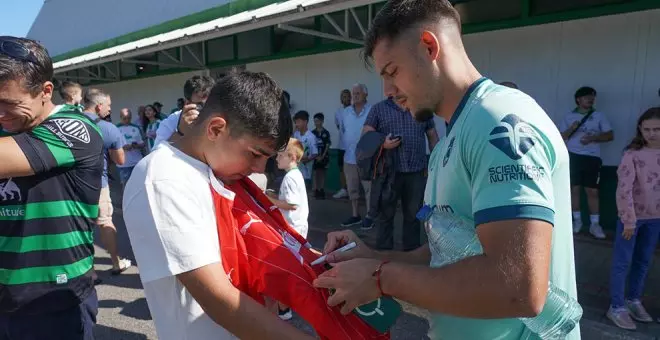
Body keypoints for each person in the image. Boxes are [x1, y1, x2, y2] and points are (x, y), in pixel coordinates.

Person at [312, 1, 580, 339]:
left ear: (429, 46)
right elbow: (446, 258)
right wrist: (369, 257)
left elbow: (518, 287)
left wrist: (380, 277)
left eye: (392, 71)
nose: (388, 92)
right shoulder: (448, 143)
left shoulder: (499, 121)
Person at [122, 70, 314, 340]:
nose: (257, 168)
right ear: (215, 129)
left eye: (267, 159)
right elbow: (221, 301)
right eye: (254, 154)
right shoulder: (164, 179)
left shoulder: (214, 170)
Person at [0, 36, 102, 339]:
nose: (0, 114)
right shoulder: (10, 126)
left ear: (46, 91)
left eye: (9, 103)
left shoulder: (75, 129)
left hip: (54, 300)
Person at [608, 107, 660, 329]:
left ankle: (633, 300)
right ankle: (616, 306)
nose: (652, 134)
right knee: (623, 262)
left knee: (643, 261)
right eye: (647, 129)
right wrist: (629, 219)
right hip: (633, 219)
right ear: (640, 129)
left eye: (657, 129)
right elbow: (624, 189)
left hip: (655, 219)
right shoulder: (632, 154)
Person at [362, 97, 439, 247]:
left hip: (416, 172)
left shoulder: (421, 106)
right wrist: (383, 143)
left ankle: (411, 257)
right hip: (389, 173)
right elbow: (366, 136)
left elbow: (432, 137)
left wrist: (436, 166)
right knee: (385, 216)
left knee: (413, 217)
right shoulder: (379, 109)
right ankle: (384, 259)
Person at [82, 89, 133, 275]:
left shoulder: (69, 121)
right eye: (109, 106)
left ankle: (89, 270)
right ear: (99, 106)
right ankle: (115, 262)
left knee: (80, 226)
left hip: (70, 184)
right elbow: (121, 160)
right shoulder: (108, 128)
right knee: (105, 222)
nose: (110, 109)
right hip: (97, 183)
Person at [558, 86, 614, 239]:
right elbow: (561, 137)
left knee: (592, 191)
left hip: (592, 158)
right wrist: (572, 128)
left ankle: (595, 225)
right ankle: (577, 222)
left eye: (592, 97)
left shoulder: (599, 116)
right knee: (574, 190)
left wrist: (593, 138)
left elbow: (610, 135)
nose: (590, 100)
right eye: (587, 97)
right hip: (573, 157)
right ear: (578, 99)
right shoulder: (569, 116)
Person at [266, 138, 310, 320]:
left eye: (280, 155)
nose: (276, 158)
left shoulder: (290, 178)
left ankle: (285, 308)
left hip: (292, 229)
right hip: (297, 227)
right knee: (291, 266)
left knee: (284, 268)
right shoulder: (295, 174)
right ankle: (287, 305)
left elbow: (291, 204)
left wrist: (270, 200)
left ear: (292, 157)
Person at [340, 83, 372, 227]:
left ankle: (369, 216)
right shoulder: (346, 112)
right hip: (349, 157)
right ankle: (355, 215)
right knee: (352, 188)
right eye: (354, 93)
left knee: (368, 188)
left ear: (366, 94)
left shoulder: (372, 110)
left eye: (358, 93)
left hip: (367, 158)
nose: (355, 95)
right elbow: (343, 130)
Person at [154, 75, 215, 147]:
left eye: (212, 104)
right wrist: (180, 132)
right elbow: (156, 154)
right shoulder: (171, 123)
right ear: (187, 103)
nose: (208, 110)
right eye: (200, 105)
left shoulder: (221, 117)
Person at [116, 108, 145, 186]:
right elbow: (112, 146)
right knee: (126, 185)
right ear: (120, 117)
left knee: (138, 185)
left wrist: (137, 145)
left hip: (137, 162)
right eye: (124, 118)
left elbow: (143, 143)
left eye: (129, 118)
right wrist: (123, 147)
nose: (127, 120)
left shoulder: (136, 128)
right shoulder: (116, 128)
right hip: (124, 164)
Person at [333, 89, 352, 199]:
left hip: (352, 146)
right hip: (341, 145)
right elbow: (338, 126)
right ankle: (344, 189)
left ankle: (353, 190)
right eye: (343, 96)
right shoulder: (338, 112)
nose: (345, 98)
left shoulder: (354, 110)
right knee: (342, 169)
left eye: (347, 96)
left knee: (354, 168)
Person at [292, 110, 318, 189]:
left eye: (299, 122)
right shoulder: (296, 134)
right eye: (296, 122)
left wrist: (307, 159)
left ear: (305, 122)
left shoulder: (311, 137)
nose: (297, 124)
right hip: (295, 171)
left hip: (306, 173)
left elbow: (315, 153)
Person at [312, 112, 331, 199]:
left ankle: (321, 189)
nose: (316, 123)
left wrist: (322, 156)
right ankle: (316, 190)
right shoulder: (312, 133)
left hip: (324, 156)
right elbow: (312, 145)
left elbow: (327, 145)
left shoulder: (326, 132)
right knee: (316, 173)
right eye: (315, 121)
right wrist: (316, 156)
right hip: (315, 156)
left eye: (318, 121)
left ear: (322, 121)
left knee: (322, 173)